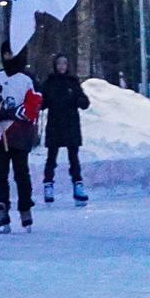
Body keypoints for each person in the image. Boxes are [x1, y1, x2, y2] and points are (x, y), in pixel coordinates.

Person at [0, 42, 42, 233]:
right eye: (6, 54)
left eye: (12, 53)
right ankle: (1, 209)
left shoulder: (27, 79)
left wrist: (13, 113)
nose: (9, 58)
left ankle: (25, 208)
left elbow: (35, 104)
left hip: (19, 133)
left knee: (21, 172)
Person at [40, 53, 91, 206]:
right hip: (55, 123)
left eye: (64, 63)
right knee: (51, 157)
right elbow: (42, 102)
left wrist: (79, 100)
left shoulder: (72, 82)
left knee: (73, 157)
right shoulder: (49, 82)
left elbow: (84, 102)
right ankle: (48, 184)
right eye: (59, 63)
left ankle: (78, 185)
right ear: (55, 66)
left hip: (71, 123)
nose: (62, 66)